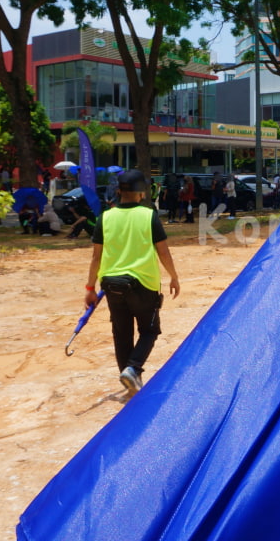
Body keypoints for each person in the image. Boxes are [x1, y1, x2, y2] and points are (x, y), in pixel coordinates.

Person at [84, 169, 180, 397]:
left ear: (119, 191)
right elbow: (163, 251)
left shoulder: (105, 217)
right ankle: (133, 369)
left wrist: (89, 288)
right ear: (141, 193)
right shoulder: (148, 215)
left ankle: (128, 378)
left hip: (111, 284)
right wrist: (174, 276)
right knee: (149, 330)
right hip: (142, 284)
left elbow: (96, 256)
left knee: (121, 332)